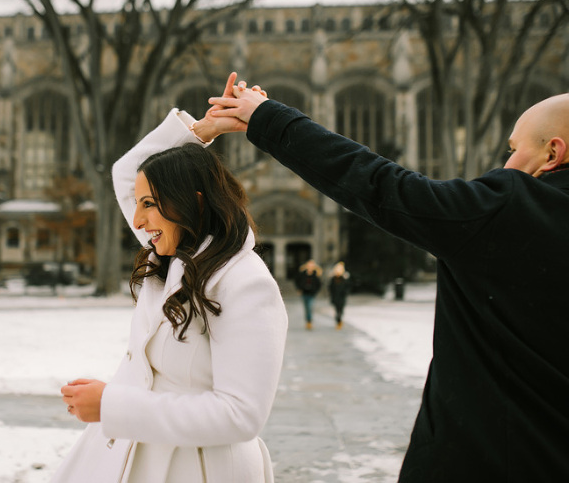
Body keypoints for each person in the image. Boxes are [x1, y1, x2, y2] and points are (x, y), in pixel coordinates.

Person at [208, 75, 569, 481]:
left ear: (553, 152)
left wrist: (269, 119)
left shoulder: (515, 210)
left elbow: (382, 185)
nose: (506, 164)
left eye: (514, 150)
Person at [51, 75, 288, 483]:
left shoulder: (246, 283)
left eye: (149, 204)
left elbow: (241, 414)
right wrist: (203, 129)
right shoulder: (171, 255)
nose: (137, 219)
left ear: (189, 203)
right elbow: (128, 173)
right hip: (135, 459)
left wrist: (113, 405)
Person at [295, 259, 322, 330]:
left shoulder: (315, 275)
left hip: (311, 294)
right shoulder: (302, 274)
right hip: (304, 293)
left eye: (312, 266)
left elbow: (319, 284)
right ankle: (307, 320)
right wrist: (299, 289)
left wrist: (315, 291)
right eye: (309, 265)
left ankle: (309, 321)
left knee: (310, 307)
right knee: (306, 307)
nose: (310, 267)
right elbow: (297, 281)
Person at [327, 261, 350, 330]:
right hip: (335, 297)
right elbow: (330, 288)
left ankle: (339, 320)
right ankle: (338, 321)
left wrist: (345, 293)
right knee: (337, 310)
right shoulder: (333, 278)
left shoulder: (344, 278)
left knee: (341, 310)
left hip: (342, 297)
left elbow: (347, 287)